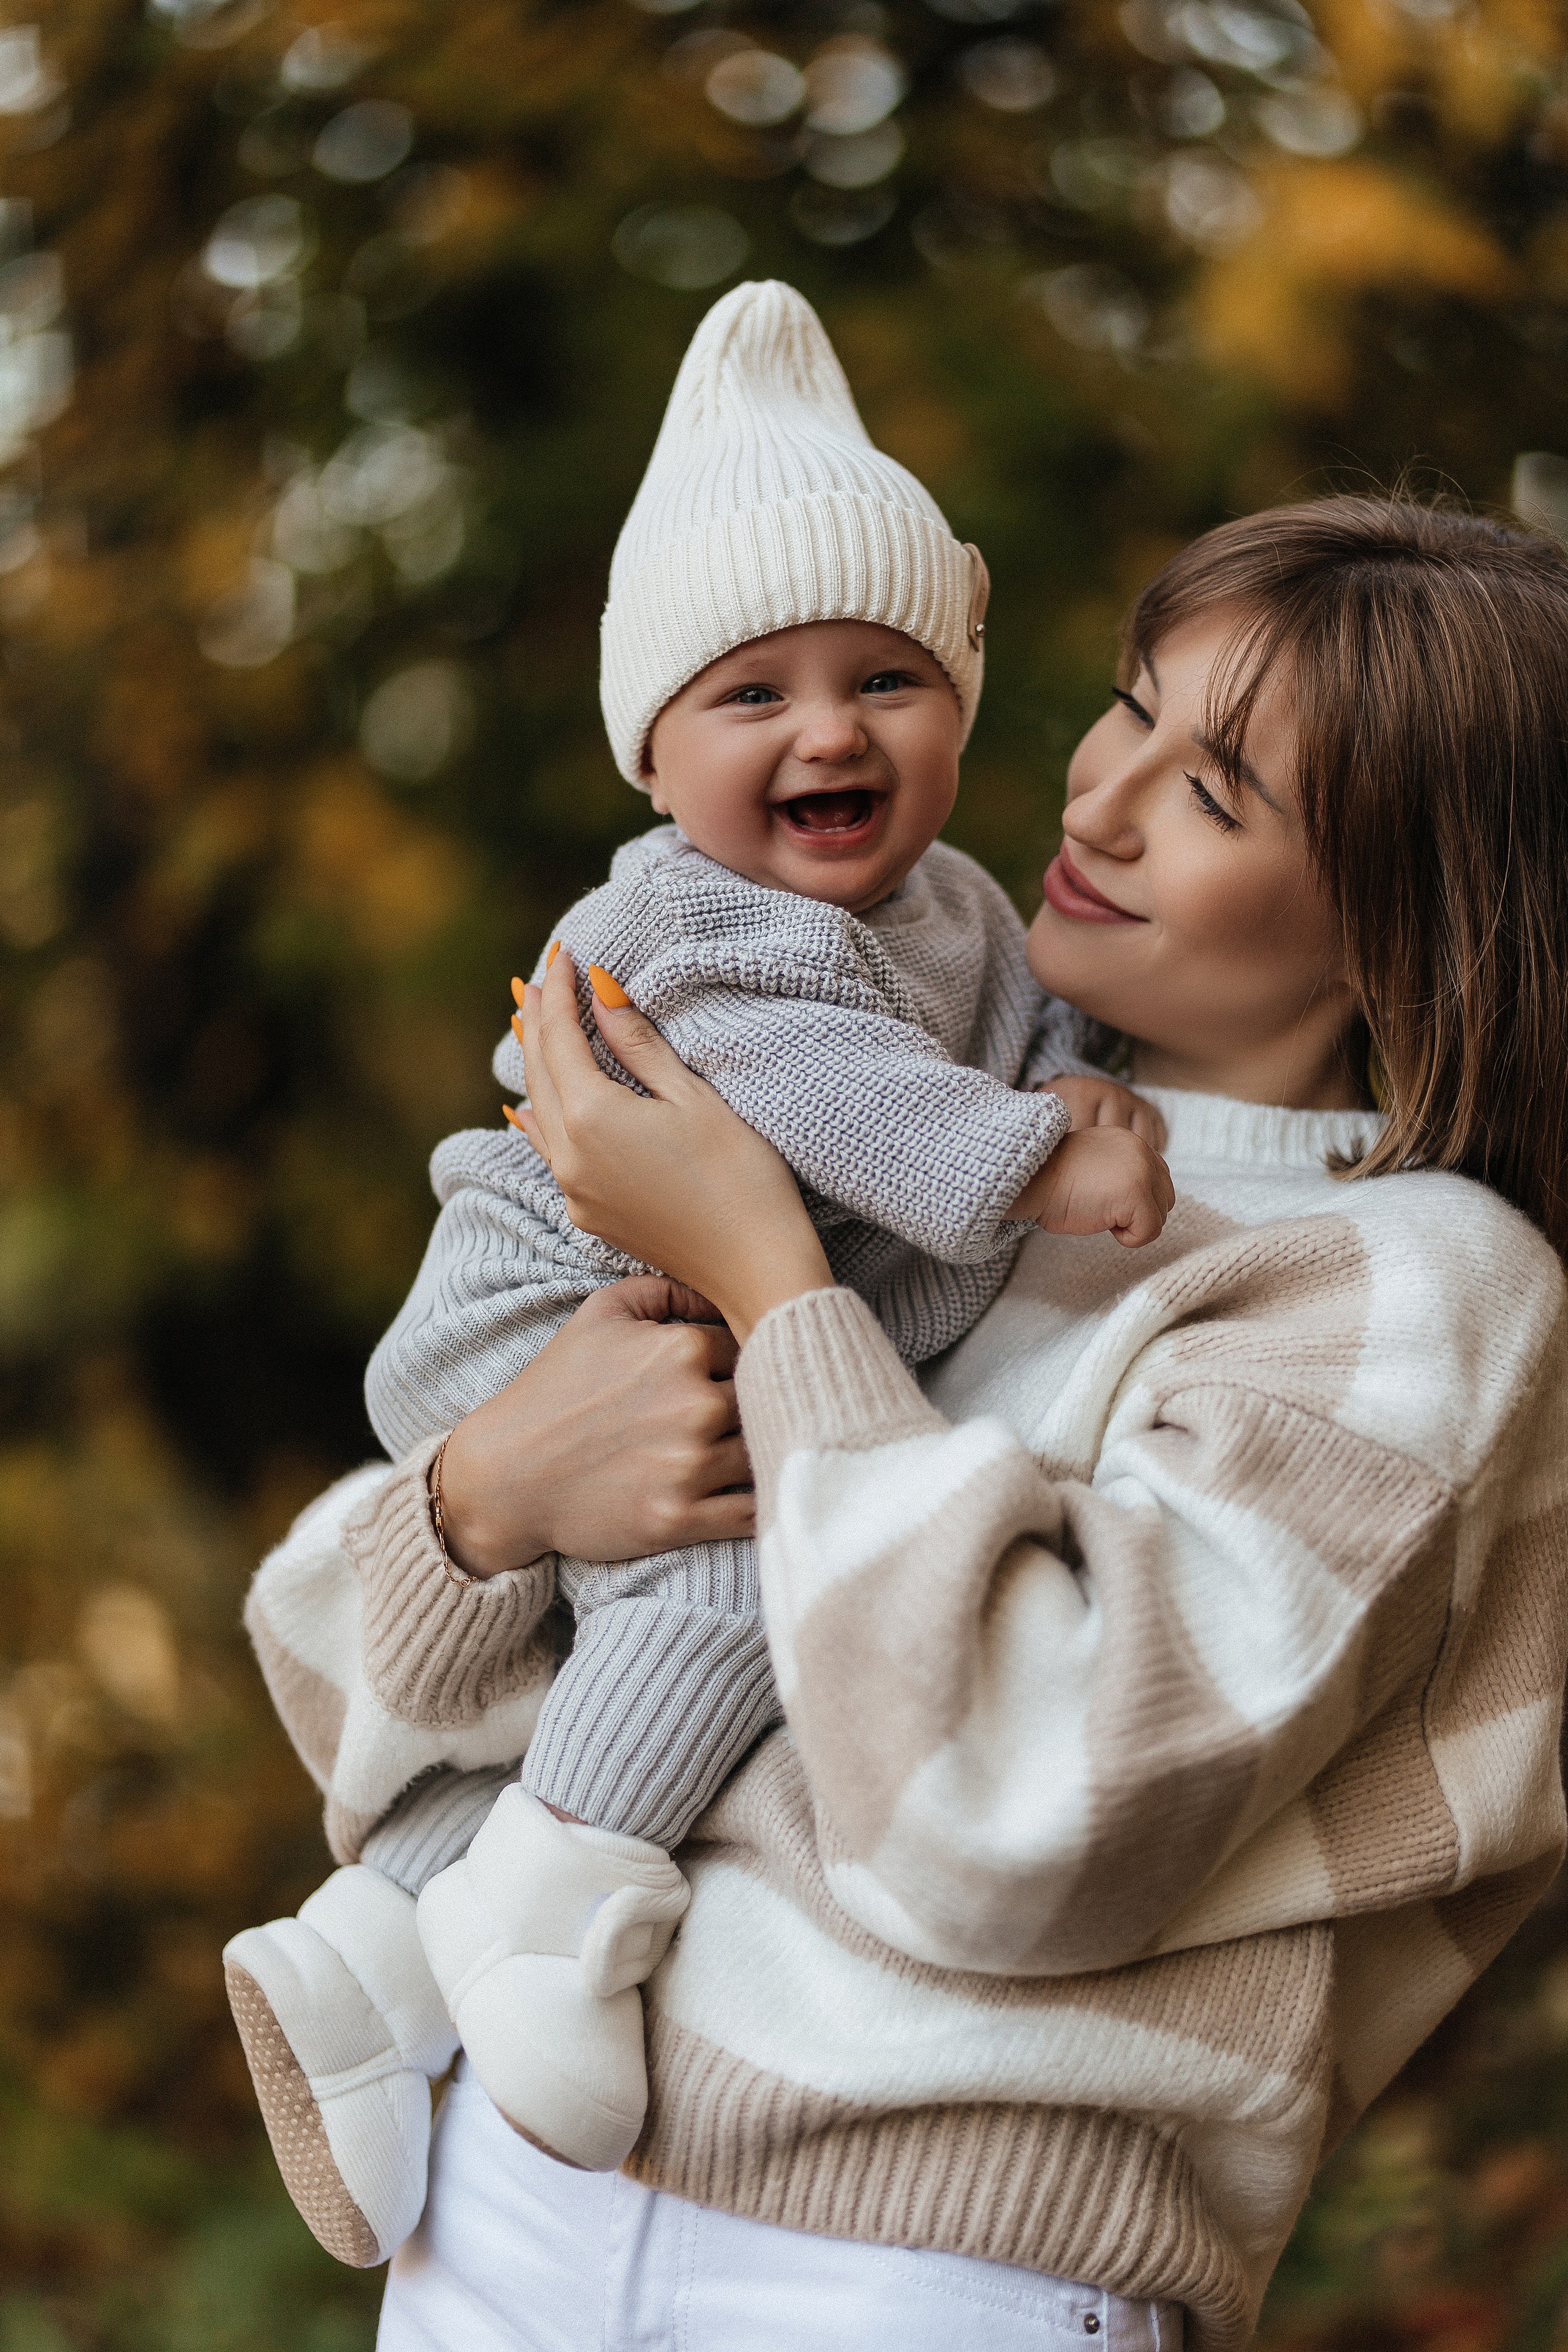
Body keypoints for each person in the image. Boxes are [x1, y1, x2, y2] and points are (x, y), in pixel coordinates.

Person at [246, 493, 1568, 2351]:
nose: (1098, 801)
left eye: (1218, 793)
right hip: (508, 2205)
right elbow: (325, 1677)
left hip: (923, 2270)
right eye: (1129, 708)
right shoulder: (914, 1101)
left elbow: (1023, 1815)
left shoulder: (1412, 1291)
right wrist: (490, 1491)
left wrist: (774, 1291)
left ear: (1411, 916)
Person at [222, 279, 1174, 2263]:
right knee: (738, 1576)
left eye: (885, 679)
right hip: (549, 1305)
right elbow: (855, 1104)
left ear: (958, 706)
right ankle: (551, 1901)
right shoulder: (697, 921)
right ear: (652, 757)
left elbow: (1008, 1044)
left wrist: (1088, 1090)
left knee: (625, 1629)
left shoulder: (962, 906)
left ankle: (375, 1946)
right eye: (753, 695)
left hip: (685, 1316)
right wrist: (1038, 1163)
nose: (829, 729)